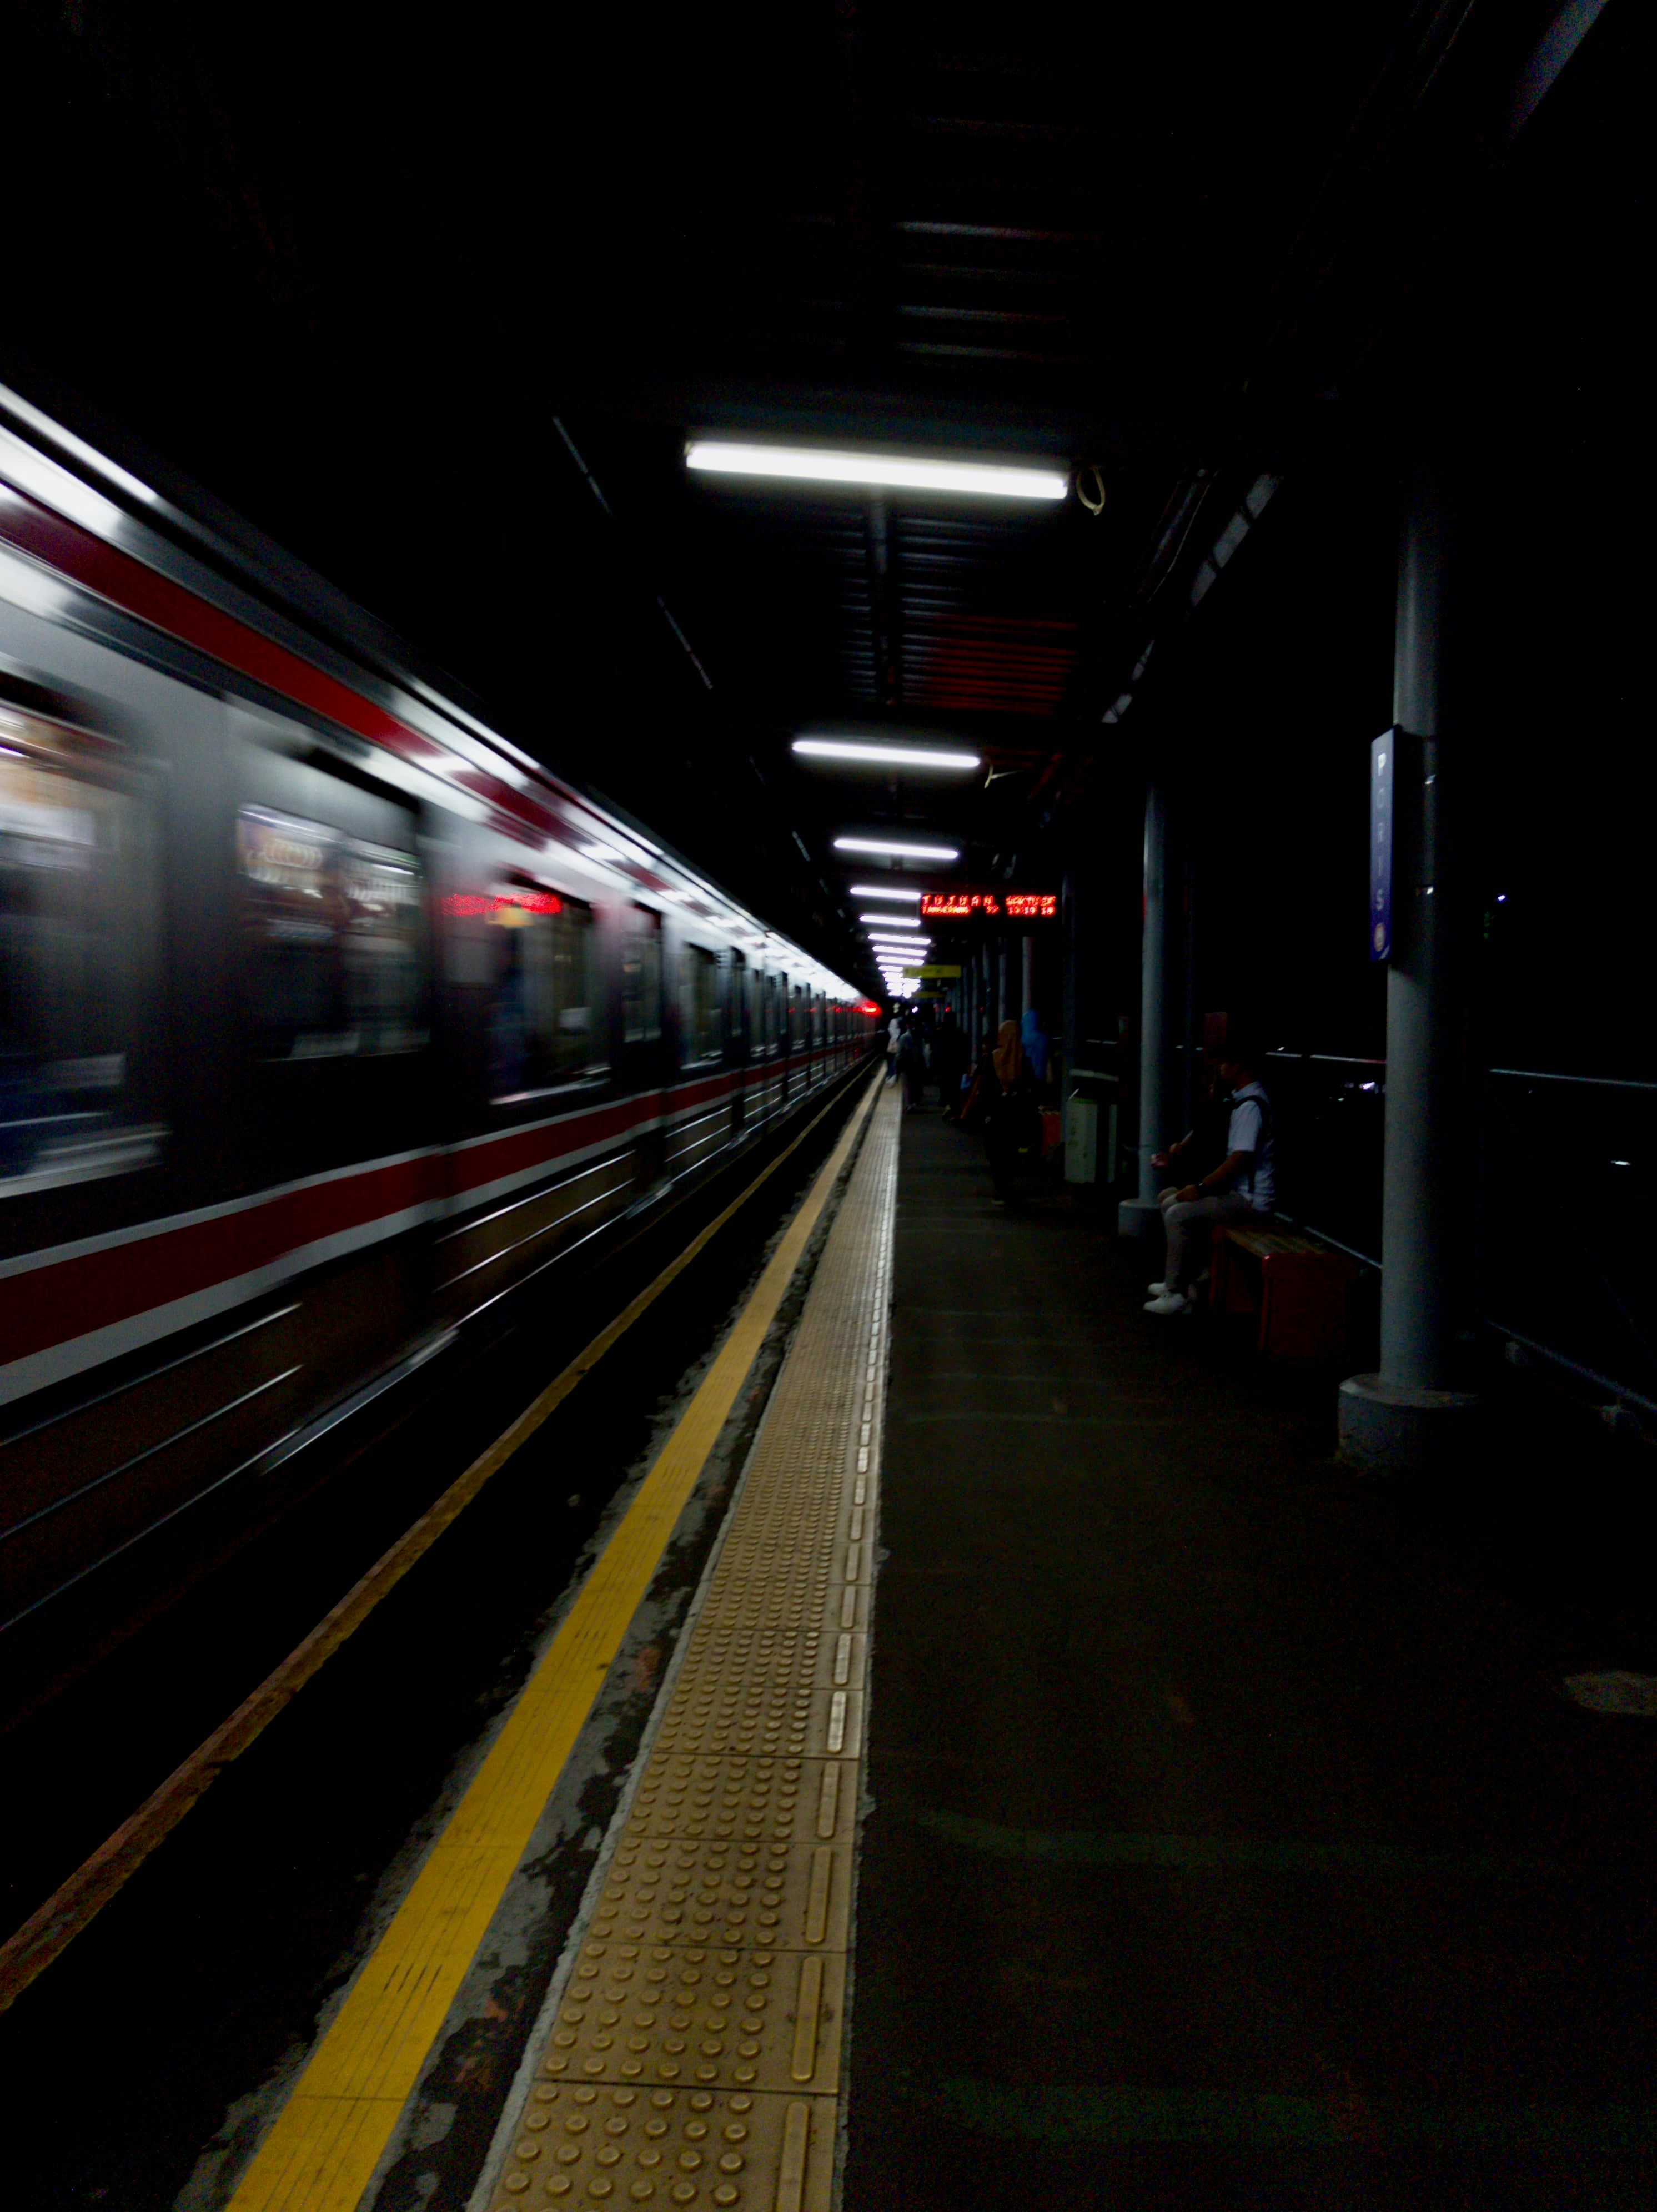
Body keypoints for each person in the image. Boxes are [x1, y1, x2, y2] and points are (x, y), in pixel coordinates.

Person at [1144, 1043, 1275, 1315]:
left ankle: (1177, 1293)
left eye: (1224, 1064)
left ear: (1238, 1067)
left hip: (1250, 1201)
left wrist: (1201, 1188)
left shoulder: (1249, 1107)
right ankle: (1184, 1281)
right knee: (1172, 1203)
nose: (1220, 1069)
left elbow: (1240, 1159)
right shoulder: (1244, 1099)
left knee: (1178, 1213)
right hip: (1241, 1194)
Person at [963, 1017, 1036, 1204]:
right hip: (1014, 1116)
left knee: (994, 1154)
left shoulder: (989, 1059)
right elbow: (1033, 1088)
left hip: (993, 1116)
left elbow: (981, 1088)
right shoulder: (1024, 1062)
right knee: (1010, 1154)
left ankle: (1000, 1190)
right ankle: (1007, 1189)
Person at [896, 1018, 928, 1112]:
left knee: (908, 1085)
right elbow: (923, 1051)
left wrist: (897, 1065)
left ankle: (909, 1104)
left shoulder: (904, 1038)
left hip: (908, 1065)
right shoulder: (919, 1038)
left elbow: (899, 1053)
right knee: (914, 1085)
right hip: (916, 1064)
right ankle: (911, 1103)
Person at [886, 1011, 901, 1084]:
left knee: (891, 1062)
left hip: (892, 1045)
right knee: (893, 1062)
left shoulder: (893, 1022)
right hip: (896, 1046)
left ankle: (891, 1077)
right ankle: (892, 1077)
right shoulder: (900, 1025)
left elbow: (891, 1032)